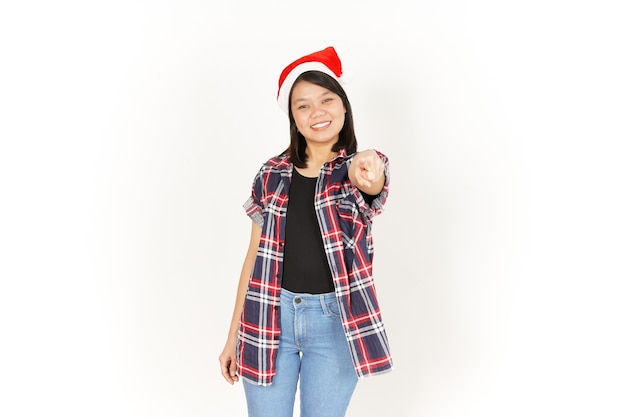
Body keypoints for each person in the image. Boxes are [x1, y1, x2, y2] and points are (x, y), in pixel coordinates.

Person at [218, 46, 393, 417]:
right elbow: (253, 258)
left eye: (327, 99)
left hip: (334, 322)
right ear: (293, 117)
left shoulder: (355, 172)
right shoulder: (271, 175)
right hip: (269, 314)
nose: (317, 112)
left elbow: (374, 182)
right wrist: (233, 334)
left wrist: (370, 171)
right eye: (303, 105)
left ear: (344, 106)